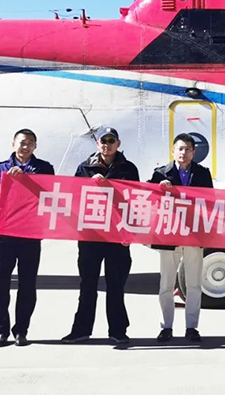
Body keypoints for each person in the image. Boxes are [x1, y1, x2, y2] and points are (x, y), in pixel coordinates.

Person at [63, 127, 140, 345]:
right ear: (97, 144)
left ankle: (118, 331)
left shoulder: (128, 169)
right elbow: (74, 197)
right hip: (91, 237)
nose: (107, 145)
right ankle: (81, 330)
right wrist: (89, 184)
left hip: (117, 238)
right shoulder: (85, 168)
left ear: (118, 144)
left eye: (111, 141)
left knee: (116, 286)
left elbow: (135, 201)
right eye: (103, 141)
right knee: (87, 286)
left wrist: (130, 233)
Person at [0, 129, 55, 347]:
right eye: (22, 142)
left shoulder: (44, 169)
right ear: (13, 144)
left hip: (29, 236)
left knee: (27, 285)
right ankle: (0, 331)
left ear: (35, 146)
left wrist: (27, 179)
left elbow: (51, 195)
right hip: (3, 237)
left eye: (31, 143)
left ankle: (21, 330)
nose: (26, 146)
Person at [148, 133, 213, 343]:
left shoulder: (202, 174)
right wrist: (158, 188)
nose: (183, 153)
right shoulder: (160, 173)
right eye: (180, 149)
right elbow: (147, 199)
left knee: (193, 284)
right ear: (173, 151)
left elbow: (211, 201)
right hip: (169, 235)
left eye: (188, 149)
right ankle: (165, 326)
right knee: (166, 284)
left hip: (194, 234)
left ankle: (191, 327)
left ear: (194, 152)